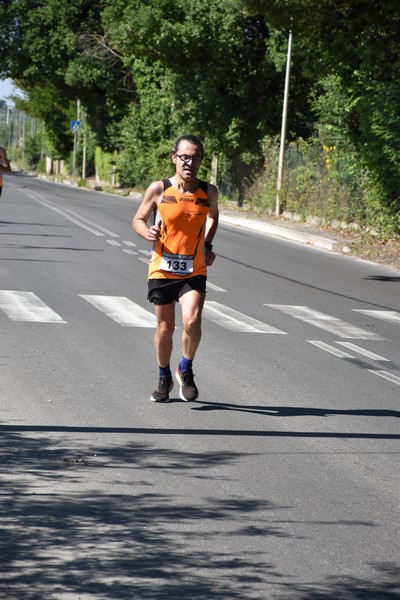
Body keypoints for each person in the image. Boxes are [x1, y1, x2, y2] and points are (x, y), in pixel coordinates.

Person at [132, 134, 219, 403]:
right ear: (174, 157)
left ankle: (185, 367)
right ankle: (163, 375)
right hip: (162, 269)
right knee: (165, 328)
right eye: (185, 157)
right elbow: (137, 219)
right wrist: (147, 232)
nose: (190, 162)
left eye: (195, 158)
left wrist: (207, 244)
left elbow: (213, 216)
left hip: (194, 268)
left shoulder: (209, 192)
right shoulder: (159, 189)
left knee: (192, 321)